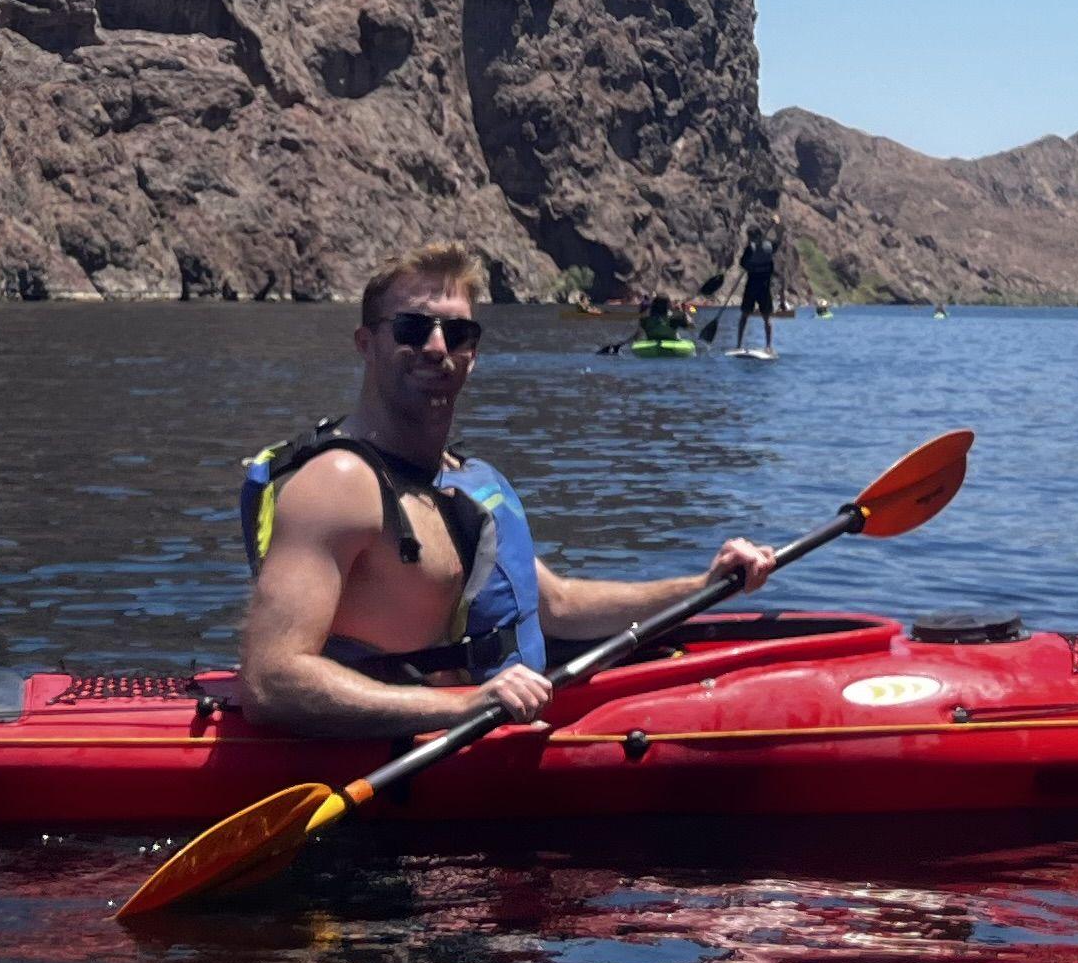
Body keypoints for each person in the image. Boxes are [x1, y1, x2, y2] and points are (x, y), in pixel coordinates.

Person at [239, 244, 779, 739]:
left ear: (472, 352)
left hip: (497, 721)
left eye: (457, 334)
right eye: (410, 328)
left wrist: (706, 584)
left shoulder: (465, 479)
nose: (436, 347)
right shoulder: (339, 484)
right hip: (412, 766)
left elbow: (557, 605)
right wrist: (465, 706)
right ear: (367, 343)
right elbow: (271, 679)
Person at [730, 217, 784, 359]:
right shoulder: (763, 247)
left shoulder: (757, 248)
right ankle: (756, 345)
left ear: (754, 236)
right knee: (755, 317)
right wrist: (777, 225)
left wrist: (750, 264)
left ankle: (759, 346)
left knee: (753, 317)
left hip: (757, 286)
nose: (749, 240)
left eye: (750, 237)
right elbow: (779, 240)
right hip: (760, 286)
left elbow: (743, 263)